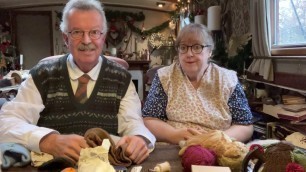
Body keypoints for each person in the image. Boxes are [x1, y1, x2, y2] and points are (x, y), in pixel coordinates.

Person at [0, 0, 155, 165]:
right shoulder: (42, 74)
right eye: (77, 32)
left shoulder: (121, 78)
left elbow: (133, 122)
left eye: (95, 32)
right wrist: (49, 141)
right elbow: (6, 122)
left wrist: (140, 138)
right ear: (66, 38)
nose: (87, 40)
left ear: (103, 37)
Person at [142, 23, 253, 144]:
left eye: (196, 47)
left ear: (209, 51)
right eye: (183, 47)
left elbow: (245, 126)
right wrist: (174, 135)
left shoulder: (227, 79)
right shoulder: (165, 77)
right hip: (174, 146)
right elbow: (149, 119)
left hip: (218, 149)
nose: (189, 54)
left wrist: (217, 140)